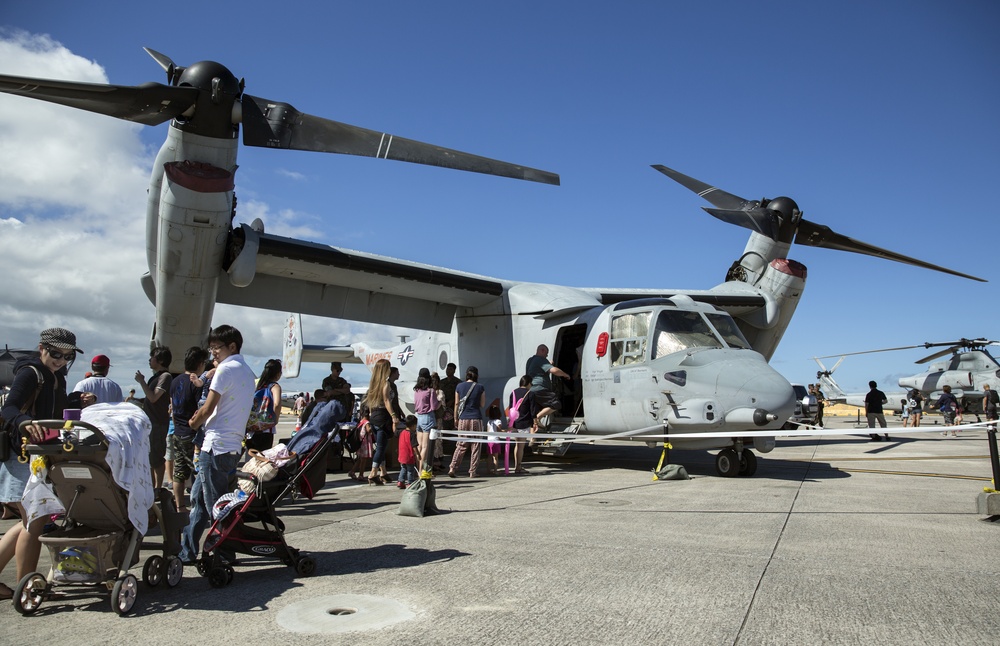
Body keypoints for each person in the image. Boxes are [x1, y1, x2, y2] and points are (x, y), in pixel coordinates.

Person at [0, 328, 89, 600]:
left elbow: (55, 408)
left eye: (67, 356)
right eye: (55, 354)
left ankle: (23, 585)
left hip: (39, 455)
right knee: (33, 523)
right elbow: (9, 408)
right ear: (42, 348)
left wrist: (77, 400)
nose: (60, 360)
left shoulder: (56, 376)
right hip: (23, 455)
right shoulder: (30, 372)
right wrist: (24, 422)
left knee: (29, 522)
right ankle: (30, 588)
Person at [179, 324, 256, 565]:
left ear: (231, 346)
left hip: (214, 446)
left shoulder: (224, 370)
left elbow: (208, 407)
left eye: (216, 348)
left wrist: (193, 422)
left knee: (216, 507)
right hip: (232, 446)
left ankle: (223, 554)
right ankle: (187, 551)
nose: (213, 353)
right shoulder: (247, 371)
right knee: (200, 502)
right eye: (211, 348)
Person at [169, 346, 209, 512]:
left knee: (179, 471)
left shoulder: (175, 381)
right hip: (192, 434)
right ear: (200, 364)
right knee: (199, 472)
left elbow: (172, 408)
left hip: (177, 431)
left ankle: (180, 506)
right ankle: (199, 506)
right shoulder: (196, 383)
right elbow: (200, 409)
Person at [135, 346, 173, 489]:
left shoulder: (165, 377)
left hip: (157, 423)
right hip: (151, 423)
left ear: (160, 360)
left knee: (156, 458)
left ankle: (158, 489)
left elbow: (153, 397)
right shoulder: (156, 377)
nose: (150, 360)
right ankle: (150, 487)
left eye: (152, 357)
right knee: (148, 457)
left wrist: (141, 381)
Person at [448, 366, 486, 478]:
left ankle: (452, 468)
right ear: (476, 375)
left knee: (461, 445)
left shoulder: (459, 386)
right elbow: (482, 404)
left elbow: (456, 403)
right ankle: (472, 471)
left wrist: (455, 418)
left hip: (463, 419)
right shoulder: (480, 387)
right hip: (476, 418)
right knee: (476, 446)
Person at [364, 359, 398, 485]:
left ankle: (383, 472)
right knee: (381, 447)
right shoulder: (386, 384)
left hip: (375, 417)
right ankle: (373, 472)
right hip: (383, 417)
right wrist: (394, 416)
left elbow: (371, 402)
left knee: (380, 445)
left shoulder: (374, 384)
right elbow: (387, 401)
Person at [526, 344, 571, 430]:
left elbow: (538, 371)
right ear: (542, 350)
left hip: (531, 389)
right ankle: (538, 418)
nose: (547, 355)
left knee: (535, 413)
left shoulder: (530, 360)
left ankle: (533, 439)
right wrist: (565, 375)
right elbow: (554, 370)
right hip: (540, 388)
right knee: (556, 404)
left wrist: (547, 364)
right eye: (546, 353)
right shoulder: (541, 360)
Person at [246, 358, 282, 454]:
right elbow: (277, 404)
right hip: (265, 430)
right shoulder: (274, 386)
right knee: (262, 460)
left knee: (251, 459)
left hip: (250, 429)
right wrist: (276, 419)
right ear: (278, 374)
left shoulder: (257, 384)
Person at [413, 367, 439, 473]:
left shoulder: (416, 391)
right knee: (425, 447)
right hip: (428, 417)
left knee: (419, 447)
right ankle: (422, 471)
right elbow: (434, 406)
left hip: (419, 417)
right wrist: (440, 401)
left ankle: (418, 468)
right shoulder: (430, 391)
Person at [508, 375, 532, 474]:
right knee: (521, 446)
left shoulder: (513, 392)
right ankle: (518, 466)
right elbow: (532, 409)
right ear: (528, 383)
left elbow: (511, 408)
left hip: (514, 422)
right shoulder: (530, 393)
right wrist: (535, 421)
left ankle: (516, 466)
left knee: (517, 446)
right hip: (524, 423)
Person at [396, 415, 419, 488]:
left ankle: (400, 481)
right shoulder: (412, 434)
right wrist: (418, 454)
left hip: (402, 454)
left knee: (403, 468)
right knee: (410, 470)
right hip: (409, 455)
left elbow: (395, 432)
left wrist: (394, 424)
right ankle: (410, 482)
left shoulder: (402, 432)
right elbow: (414, 446)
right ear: (413, 425)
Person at [485, 403, 504, 475]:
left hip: (489, 441)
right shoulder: (498, 421)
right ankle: (495, 471)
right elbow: (499, 430)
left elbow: (487, 431)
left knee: (489, 456)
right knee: (496, 457)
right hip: (495, 441)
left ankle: (488, 469)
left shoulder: (489, 422)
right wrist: (506, 430)